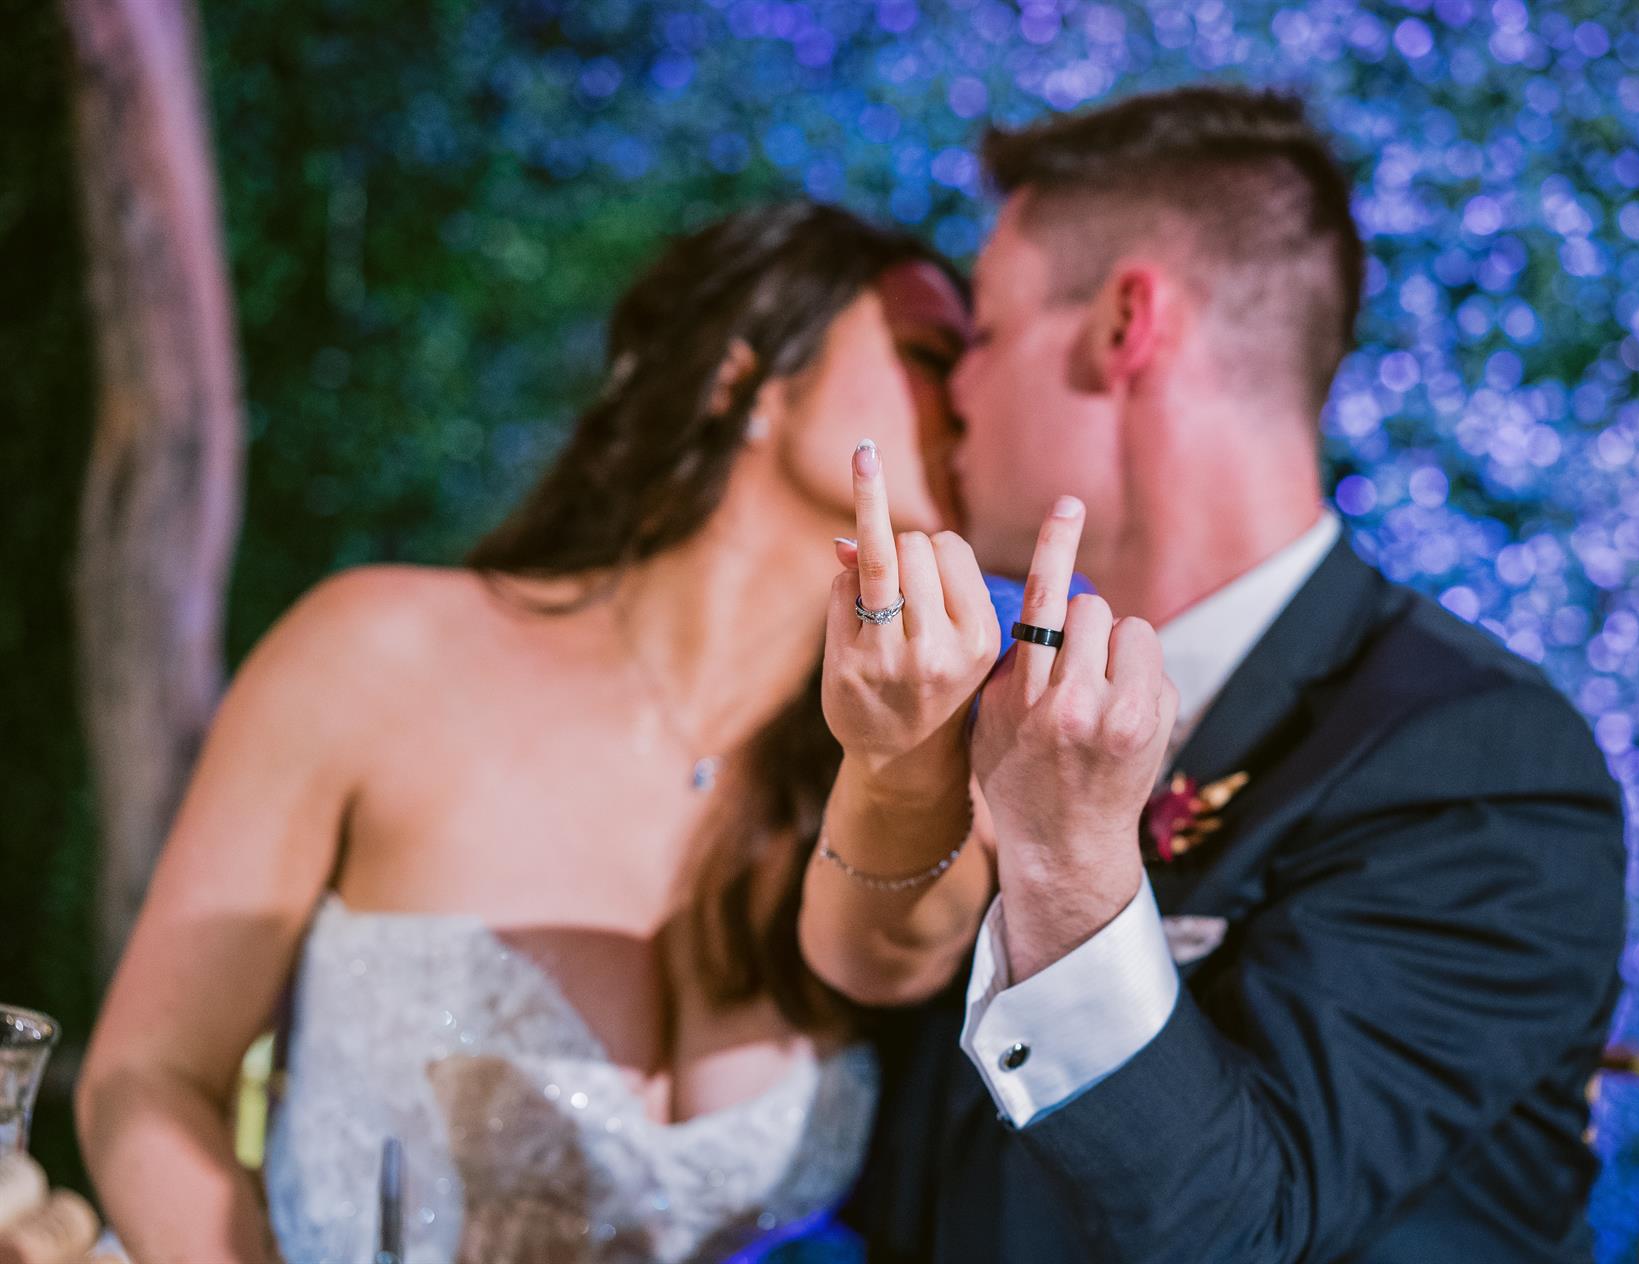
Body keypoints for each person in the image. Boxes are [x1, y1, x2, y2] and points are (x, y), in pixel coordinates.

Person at [800, 87, 1629, 1262]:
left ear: (1124, 325)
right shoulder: (993, 699)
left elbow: (1247, 1230)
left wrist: (1069, 864)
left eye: (981, 334)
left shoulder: (1484, 761)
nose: (956, 395)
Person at [76, 202, 973, 1264]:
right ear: (745, 381)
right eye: (929, 355)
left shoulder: (892, 799)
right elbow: (148, 1077)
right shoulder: (385, 651)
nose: (970, 397)